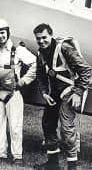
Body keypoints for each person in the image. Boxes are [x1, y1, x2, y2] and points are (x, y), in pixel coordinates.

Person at [33, 23, 92, 170]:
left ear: (51, 35)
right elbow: (40, 75)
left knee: (67, 130)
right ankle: (53, 164)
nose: (41, 41)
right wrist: (45, 93)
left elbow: (86, 70)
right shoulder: (40, 53)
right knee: (48, 123)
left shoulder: (64, 48)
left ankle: (72, 167)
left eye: (44, 37)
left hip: (69, 91)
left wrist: (78, 92)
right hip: (54, 93)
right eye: (38, 39)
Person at [0, 19, 36, 165]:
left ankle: (17, 155)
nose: (0, 36)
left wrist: (24, 81)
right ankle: (0, 153)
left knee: (15, 127)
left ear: (7, 32)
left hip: (13, 94)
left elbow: (35, 63)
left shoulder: (18, 50)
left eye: (2, 33)